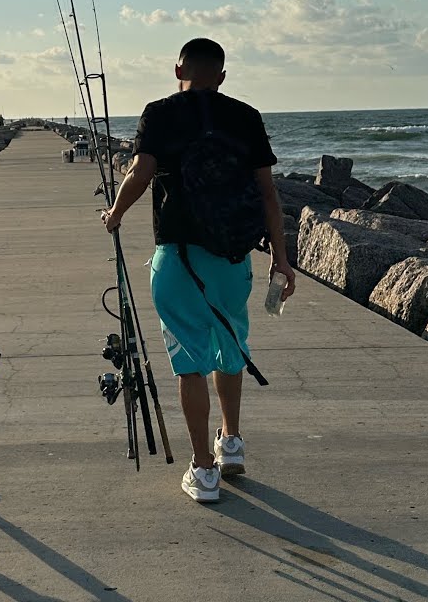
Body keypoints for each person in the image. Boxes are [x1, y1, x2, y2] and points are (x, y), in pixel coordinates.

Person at [100, 38, 295, 503]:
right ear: (222, 77)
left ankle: (203, 472)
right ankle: (230, 441)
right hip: (233, 259)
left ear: (177, 69)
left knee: (189, 360)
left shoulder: (160, 112)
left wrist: (115, 214)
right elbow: (267, 193)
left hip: (177, 256)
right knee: (231, 346)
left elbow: (141, 173)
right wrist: (282, 259)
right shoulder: (245, 115)